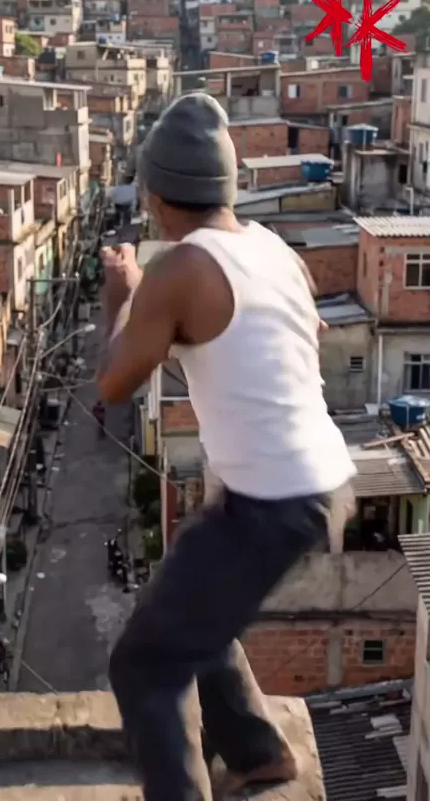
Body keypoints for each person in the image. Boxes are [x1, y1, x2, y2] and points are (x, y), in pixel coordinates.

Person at [98, 93, 356, 801]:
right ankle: (258, 753)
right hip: (319, 480)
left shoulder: (179, 268)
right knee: (192, 609)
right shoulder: (272, 248)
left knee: (146, 665)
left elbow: (115, 384)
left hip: (271, 500)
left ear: (154, 195)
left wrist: (122, 295)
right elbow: (309, 333)